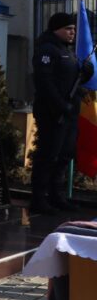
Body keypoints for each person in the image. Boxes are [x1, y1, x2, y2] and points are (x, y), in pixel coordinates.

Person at [31, 12, 94, 213]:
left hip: (69, 113)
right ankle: (38, 199)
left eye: (74, 29)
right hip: (53, 113)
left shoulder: (67, 51)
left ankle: (56, 196)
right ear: (56, 29)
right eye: (68, 28)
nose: (72, 32)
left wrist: (86, 73)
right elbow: (44, 82)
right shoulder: (47, 50)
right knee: (48, 155)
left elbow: (72, 81)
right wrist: (60, 105)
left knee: (64, 155)